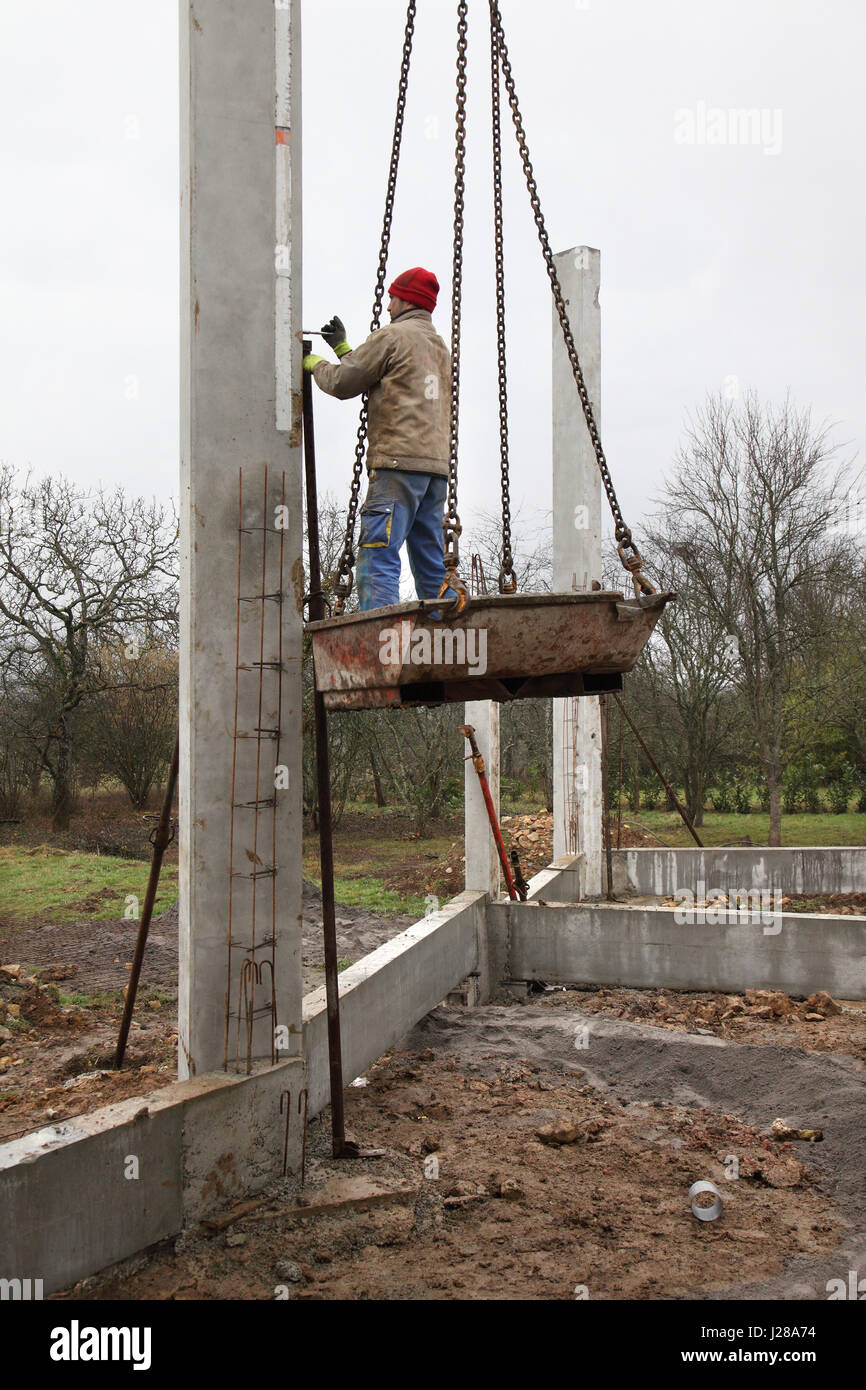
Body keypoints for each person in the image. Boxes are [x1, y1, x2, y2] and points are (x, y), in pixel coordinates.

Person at [303, 267, 453, 611]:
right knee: (430, 564)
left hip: (396, 467)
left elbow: (345, 383)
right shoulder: (438, 346)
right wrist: (343, 347)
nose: (387, 307)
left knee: (377, 555)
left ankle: (381, 642)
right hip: (433, 472)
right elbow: (380, 374)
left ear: (405, 300)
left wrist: (315, 365)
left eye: (391, 298)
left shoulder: (392, 336)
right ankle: (445, 642)